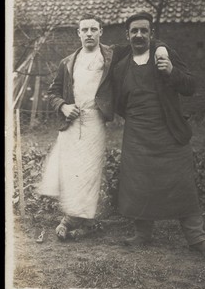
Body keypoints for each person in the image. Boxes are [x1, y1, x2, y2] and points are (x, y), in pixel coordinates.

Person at [39, 13, 167, 241]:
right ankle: (73, 218)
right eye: (84, 30)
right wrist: (63, 106)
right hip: (71, 122)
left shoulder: (111, 54)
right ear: (78, 33)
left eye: (93, 29)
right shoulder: (67, 62)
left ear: (101, 32)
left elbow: (144, 41)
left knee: (89, 172)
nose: (89, 34)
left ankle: (83, 222)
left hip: (95, 122)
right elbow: (51, 92)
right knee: (69, 171)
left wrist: (162, 50)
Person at [112, 11, 205, 258]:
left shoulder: (165, 56)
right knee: (138, 183)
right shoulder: (120, 67)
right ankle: (142, 234)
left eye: (143, 30)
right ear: (127, 35)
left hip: (169, 131)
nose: (139, 35)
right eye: (134, 31)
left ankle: (197, 239)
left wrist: (172, 71)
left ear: (151, 34)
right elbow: (119, 102)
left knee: (183, 184)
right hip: (137, 134)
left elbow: (191, 86)